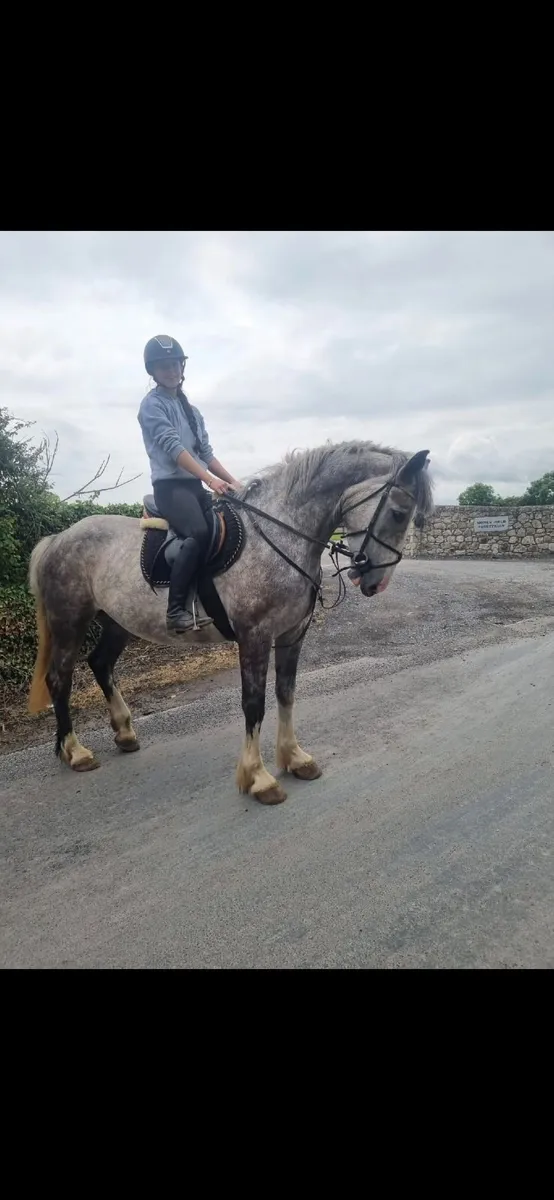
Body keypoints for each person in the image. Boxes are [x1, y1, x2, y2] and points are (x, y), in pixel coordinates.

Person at [138, 335, 242, 634]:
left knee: (224, 527)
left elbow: (205, 453)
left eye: (174, 364)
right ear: (153, 372)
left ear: (181, 367)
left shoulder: (192, 412)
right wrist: (210, 479)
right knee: (197, 531)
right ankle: (175, 610)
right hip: (171, 489)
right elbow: (173, 447)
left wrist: (233, 481)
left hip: (195, 486)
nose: (171, 371)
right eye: (163, 366)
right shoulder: (151, 406)